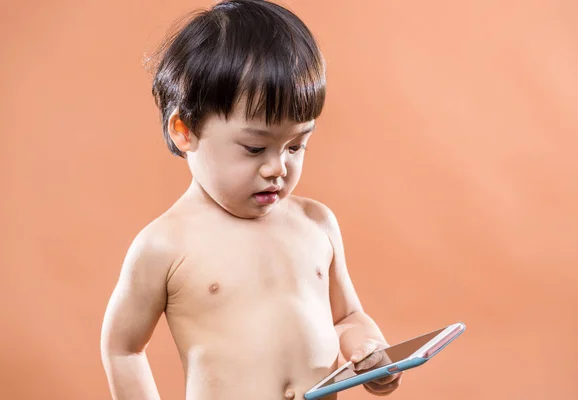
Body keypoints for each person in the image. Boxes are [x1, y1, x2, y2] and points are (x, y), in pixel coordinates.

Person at [100, 1, 400, 399]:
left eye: (296, 145)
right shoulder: (165, 246)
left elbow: (346, 317)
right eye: (256, 148)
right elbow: (123, 348)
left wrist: (370, 354)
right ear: (184, 130)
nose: (278, 167)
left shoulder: (316, 224)